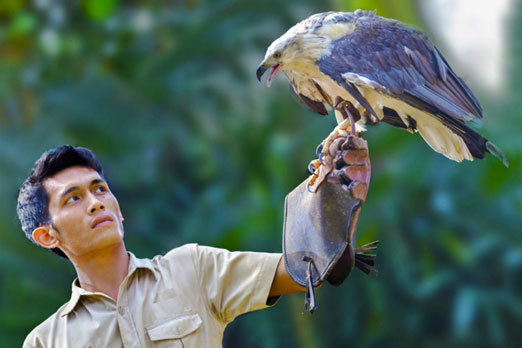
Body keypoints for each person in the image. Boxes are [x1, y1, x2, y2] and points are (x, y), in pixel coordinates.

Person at [18, 141, 370, 347]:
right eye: (73, 199)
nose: (96, 202)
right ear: (47, 235)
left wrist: (338, 192)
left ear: (119, 209)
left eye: (99, 189)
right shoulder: (46, 341)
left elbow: (310, 269)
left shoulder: (192, 269)